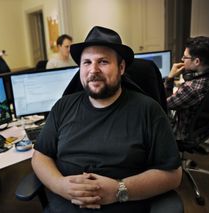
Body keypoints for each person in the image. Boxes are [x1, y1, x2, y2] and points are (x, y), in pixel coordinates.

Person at [32, 26, 182, 212]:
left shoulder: (148, 111)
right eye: (86, 62)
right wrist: (60, 185)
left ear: (121, 67)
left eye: (103, 62)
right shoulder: (63, 106)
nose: (93, 70)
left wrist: (120, 190)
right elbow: (40, 156)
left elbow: (173, 174)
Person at [164, 36, 209, 143]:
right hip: (205, 129)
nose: (182, 59)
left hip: (182, 134)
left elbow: (165, 104)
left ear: (197, 61)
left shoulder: (192, 88)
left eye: (185, 57)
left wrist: (170, 78)